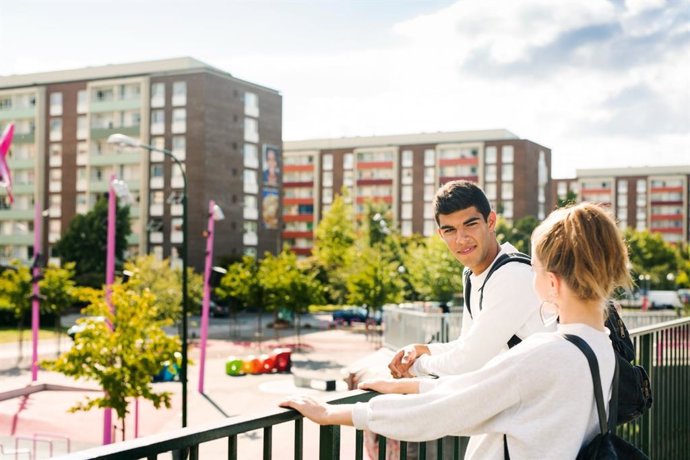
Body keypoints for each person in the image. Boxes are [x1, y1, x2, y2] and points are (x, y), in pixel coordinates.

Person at [280, 202, 632, 458]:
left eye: (535, 268)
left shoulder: (545, 353)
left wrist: (333, 414)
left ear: (552, 282)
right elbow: (484, 387)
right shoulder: (600, 344)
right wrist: (406, 385)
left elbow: (451, 409)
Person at [388, 180, 551, 379]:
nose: (461, 239)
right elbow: (467, 344)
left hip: (549, 401)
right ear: (441, 234)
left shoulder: (512, 275)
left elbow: (468, 361)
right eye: (450, 230)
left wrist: (416, 367)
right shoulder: (472, 274)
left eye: (470, 224)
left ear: (490, 222)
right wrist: (420, 350)